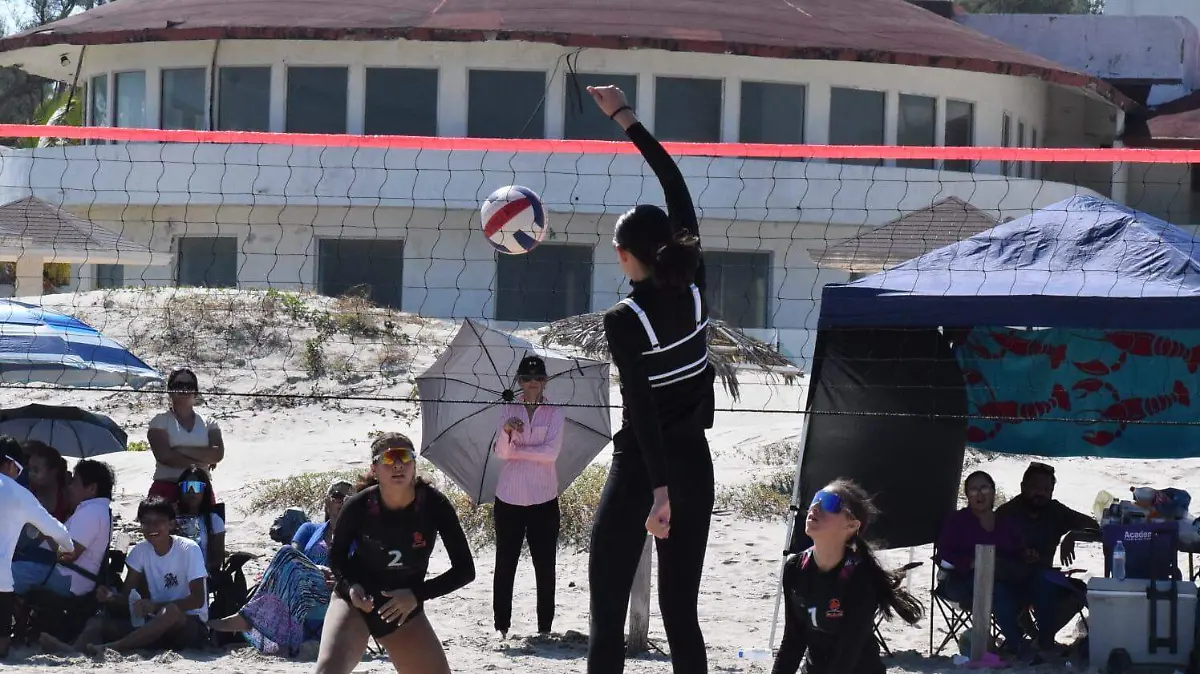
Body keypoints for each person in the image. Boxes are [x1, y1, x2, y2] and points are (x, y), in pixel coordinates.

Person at [584, 85, 717, 674]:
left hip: (649, 468)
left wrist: (657, 495)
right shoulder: (695, 282)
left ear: (622, 255)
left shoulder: (625, 319)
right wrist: (627, 119)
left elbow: (639, 407)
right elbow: (676, 186)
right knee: (680, 615)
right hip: (698, 464)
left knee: (607, 610)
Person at [315, 433, 475, 674]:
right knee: (327, 671)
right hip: (356, 602)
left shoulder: (434, 505)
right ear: (375, 468)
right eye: (389, 458)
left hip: (401, 608)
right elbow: (336, 557)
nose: (398, 465)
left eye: (405, 457)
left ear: (414, 465)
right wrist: (350, 587)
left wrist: (415, 595)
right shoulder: (358, 506)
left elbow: (465, 570)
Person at [772, 480, 923, 674]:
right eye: (816, 498)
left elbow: (848, 653)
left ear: (851, 525)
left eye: (829, 502)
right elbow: (793, 639)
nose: (816, 506)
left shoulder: (860, 577)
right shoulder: (795, 568)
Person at [39, 496, 209, 655]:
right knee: (96, 622)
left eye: (158, 522)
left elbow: (197, 599)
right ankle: (73, 651)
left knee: (170, 611)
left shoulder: (188, 549)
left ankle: (113, 648)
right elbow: (127, 598)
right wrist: (111, 597)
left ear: (171, 524)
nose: (151, 528)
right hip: (153, 625)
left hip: (190, 626)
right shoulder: (139, 552)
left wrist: (154, 606)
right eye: (146, 523)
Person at [209, 479, 357, 656]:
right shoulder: (309, 529)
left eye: (349, 497)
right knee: (287, 553)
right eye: (337, 496)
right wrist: (317, 568)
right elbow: (293, 556)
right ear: (326, 502)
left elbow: (364, 571)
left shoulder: (360, 537)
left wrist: (342, 579)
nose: (342, 501)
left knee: (289, 559)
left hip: (336, 592)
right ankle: (250, 619)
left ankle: (247, 619)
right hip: (301, 589)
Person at [492, 354, 563, 638]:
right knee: (505, 562)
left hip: (544, 497)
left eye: (538, 378)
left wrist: (517, 450)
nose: (532, 383)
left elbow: (551, 454)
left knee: (545, 564)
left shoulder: (555, 412)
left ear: (545, 381)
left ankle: (544, 627)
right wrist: (508, 431)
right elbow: (501, 453)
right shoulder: (508, 410)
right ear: (519, 381)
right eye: (526, 378)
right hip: (509, 496)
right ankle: (501, 626)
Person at [995, 462, 1097, 652]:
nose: (1040, 493)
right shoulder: (1006, 513)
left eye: (1046, 489)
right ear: (1023, 486)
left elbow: (1092, 524)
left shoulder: (1055, 511)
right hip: (1011, 579)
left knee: (1077, 592)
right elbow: (990, 550)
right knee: (1000, 592)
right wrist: (1018, 555)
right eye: (1035, 487)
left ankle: (1043, 639)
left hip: (1044, 581)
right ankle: (1022, 641)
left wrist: (1074, 534)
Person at [936, 471, 1034, 660]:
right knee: (996, 590)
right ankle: (1017, 642)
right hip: (960, 582)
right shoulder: (957, 521)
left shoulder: (1005, 523)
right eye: (973, 490)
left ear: (993, 492)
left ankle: (1027, 640)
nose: (979, 494)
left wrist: (1026, 554)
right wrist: (970, 563)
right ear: (967, 495)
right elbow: (943, 555)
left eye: (984, 488)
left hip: (1000, 580)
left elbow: (1017, 550)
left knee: (1004, 588)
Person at [0, 439, 75, 659]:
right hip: (1, 580)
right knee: (2, 646)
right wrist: (68, 546)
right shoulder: (20, 494)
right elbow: (56, 529)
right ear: (11, 465)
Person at [13, 459, 115, 598]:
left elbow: (68, 555)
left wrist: (47, 531)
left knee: (7, 574)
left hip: (67, 577)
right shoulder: (96, 510)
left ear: (91, 488)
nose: (70, 487)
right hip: (63, 572)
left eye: (75, 482)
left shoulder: (93, 512)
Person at [147, 367, 225, 505]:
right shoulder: (159, 421)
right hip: (167, 487)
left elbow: (217, 454)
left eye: (189, 386)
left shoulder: (209, 422)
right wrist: (201, 462)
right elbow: (165, 457)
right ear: (170, 390)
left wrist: (179, 449)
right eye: (178, 385)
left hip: (199, 490)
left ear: (195, 391)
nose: (184, 390)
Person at [173, 466, 225, 573]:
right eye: (186, 486)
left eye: (196, 486)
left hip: (203, 575)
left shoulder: (213, 520)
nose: (191, 491)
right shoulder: (170, 517)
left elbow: (217, 560)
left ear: (205, 490)